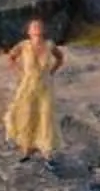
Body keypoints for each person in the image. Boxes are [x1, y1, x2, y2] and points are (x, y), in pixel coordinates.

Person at [4, 16, 63, 159]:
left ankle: (46, 148)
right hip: (28, 84)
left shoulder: (50, 45)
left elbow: (60, 58)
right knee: (26, 113)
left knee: (45, 114)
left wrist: (51, 72)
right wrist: (20, 72)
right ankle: (27, 147)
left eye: (39, 26)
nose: (37, 28)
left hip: (44, 84)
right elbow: (11, 57)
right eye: (33, 27)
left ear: (43, 30)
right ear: (29, 31)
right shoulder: (23, 45)